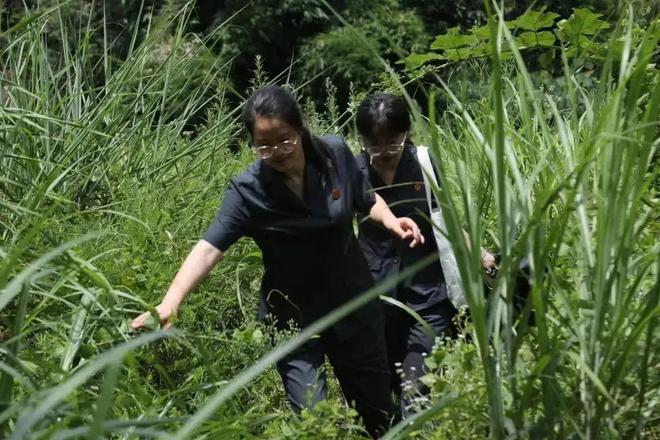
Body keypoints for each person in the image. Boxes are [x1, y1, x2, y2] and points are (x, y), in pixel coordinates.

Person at [132, 85, 426, 437]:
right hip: (294, 322)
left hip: (354, 308)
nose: (277, 151)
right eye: (265, 145)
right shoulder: (247, 190)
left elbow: (364, 197)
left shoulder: (333, 153)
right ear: (252, 144)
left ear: (300, 128)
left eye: (285, 140)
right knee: (314, 421)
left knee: (377, 414)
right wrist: (172, 300)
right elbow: (210, 247)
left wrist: (391, 220)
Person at [354, 93, 496, 418]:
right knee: (386, 390)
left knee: (416, 390)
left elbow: (446, 220)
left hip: (429, 296)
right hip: (378, 298)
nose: (384, 154)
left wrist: (481, 255)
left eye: (392, 143)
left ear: (406, 134)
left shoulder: (424, 163)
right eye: (374, 146)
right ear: (362, 140)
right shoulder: (354, 170)